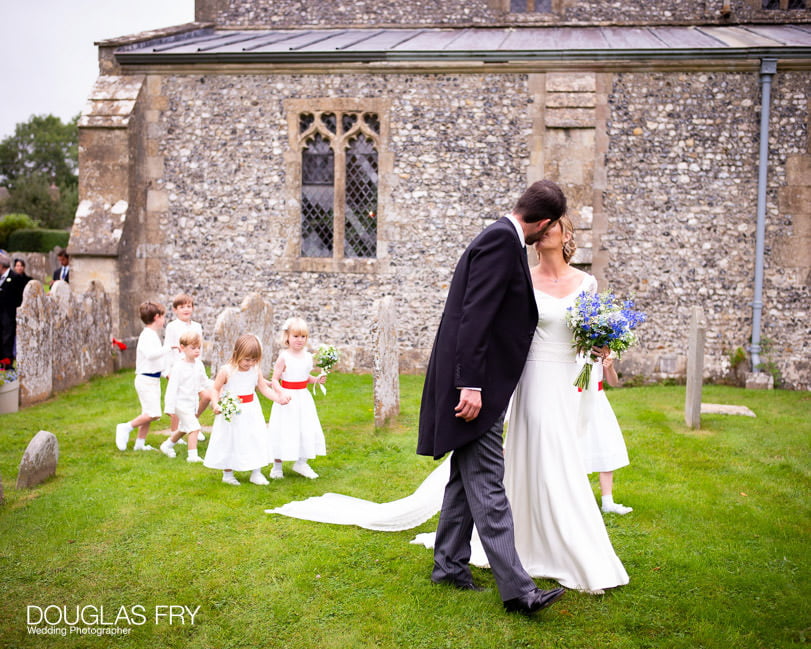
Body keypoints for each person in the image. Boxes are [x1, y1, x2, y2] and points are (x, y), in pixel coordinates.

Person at [416, 180, 567, 615]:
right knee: (488, 482)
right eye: (551, 227)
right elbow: (474, 317)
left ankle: (447, 566)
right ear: (543, 222)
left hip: (478, 381)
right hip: (474, 387)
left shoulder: (502, 238)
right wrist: (471, 385)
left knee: (466, 479)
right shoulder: (502, 243)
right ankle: (520, 591)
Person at [503, 215, 629, 594]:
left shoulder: (586, 283)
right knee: (534, 454)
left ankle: (572, 547)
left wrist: (602, 346)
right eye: (537, 229)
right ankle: (523, 542)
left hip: (567, 380)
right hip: (532, 378)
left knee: (562, 456)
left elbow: (589, 341)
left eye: (550, 227)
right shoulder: (523, 278)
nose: (540, 233)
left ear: (565, 235)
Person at [204, 334, 290, 485]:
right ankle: (228, 474)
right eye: (247, 359)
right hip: (232, 411)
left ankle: (256, 472)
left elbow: (263, 388)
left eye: (254, 360)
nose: (250, 363)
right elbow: (215, 389)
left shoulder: (255, 370)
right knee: (230, 439)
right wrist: (216, 404)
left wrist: (278, 398)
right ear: (237, 353)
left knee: (255, 438)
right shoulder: (226, 370)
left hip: (251, 410)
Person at [267, 317, 327, 480]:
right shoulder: (284, 357)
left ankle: (301, 462)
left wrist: (316, 380)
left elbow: (304, 375)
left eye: (303, 337)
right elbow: (274, 380)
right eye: (296, 336)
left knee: (305, 427)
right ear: (287, 337)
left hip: (303, 398)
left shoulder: (308, 357)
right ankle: (277, 465)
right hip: (287, 398)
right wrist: (281, 393)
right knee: (283, 428)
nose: (299, 340)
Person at [579, 354, 633, 515]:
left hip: (598, 401)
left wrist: (609, 366)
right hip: (576, 399)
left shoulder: (603, 347)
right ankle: (578, 499)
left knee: (605, 444)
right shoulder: (573, 343)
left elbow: (613, 382)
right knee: (577, 447)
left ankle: (607, 501)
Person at [115, 301, 167, 451]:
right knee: (153, 413)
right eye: (163, 317)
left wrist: (165, 373)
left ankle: (140, 445)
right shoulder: (146, 335)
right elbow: (151, 355)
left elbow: (156, 362)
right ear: (157, 317)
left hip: (153, 379)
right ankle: (125, 427)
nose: (164, 320)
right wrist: (168, 348)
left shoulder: (152, 335)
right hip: (145, 380)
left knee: (149, 413)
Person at [160, 331, 212, 463]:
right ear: (182, 348)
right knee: (194, 428)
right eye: (193, 348)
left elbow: (204, 381)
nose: (196, 351)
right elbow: (172, 388)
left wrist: (216, 386)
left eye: (198, 348)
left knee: (184, 428)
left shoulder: (199, 364)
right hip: (180, 404)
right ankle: (192, 456)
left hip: (191, 403)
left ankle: (167, 445)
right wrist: (169, 408)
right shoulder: (178, 367)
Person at [163, 293, 208, 443]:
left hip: (194, 368)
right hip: (178, 368)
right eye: (182, 307)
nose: (186, 310)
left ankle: (192, 425)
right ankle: (174, 432)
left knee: (197, 397)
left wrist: (199, 366)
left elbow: (198, 347)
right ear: (175, 310)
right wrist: (167, 371)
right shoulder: (172, 327)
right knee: (179, 399)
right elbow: (168, 348)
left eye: (189, 306)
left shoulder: (197, 326)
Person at [0, 254, 23, 368]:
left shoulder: (15, 278)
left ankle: (7, 364)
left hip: (9, 316)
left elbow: (20, 298)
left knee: (7, 340)